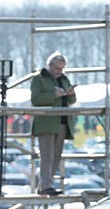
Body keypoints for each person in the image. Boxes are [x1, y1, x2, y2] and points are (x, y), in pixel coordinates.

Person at [31, 51, 77, 195]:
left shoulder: (63, 79)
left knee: (56, 156)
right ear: (50, 65)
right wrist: (53, 95)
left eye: (62, 69)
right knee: (47, 156)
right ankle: (45, 186)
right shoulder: (39, 79)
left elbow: (72, 101)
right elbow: (36, 99)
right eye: (57, 68)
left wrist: (71, 94)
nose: (60, 71)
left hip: (62, 121)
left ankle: (45, 184)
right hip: (46, 123)